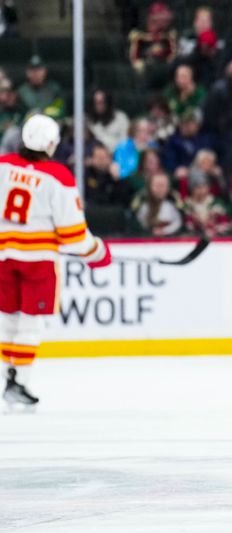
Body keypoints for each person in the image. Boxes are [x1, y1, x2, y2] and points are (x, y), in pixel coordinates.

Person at [0, 114, 112, 410]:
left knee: (9, 321)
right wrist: (98, 253)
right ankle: (19, 381)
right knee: (30, 323)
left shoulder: (3, 166)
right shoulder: (57, 176)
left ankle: (9, 379)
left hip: (3, 259)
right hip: (38, 262)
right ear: (50, 143)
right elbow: (74, 236)